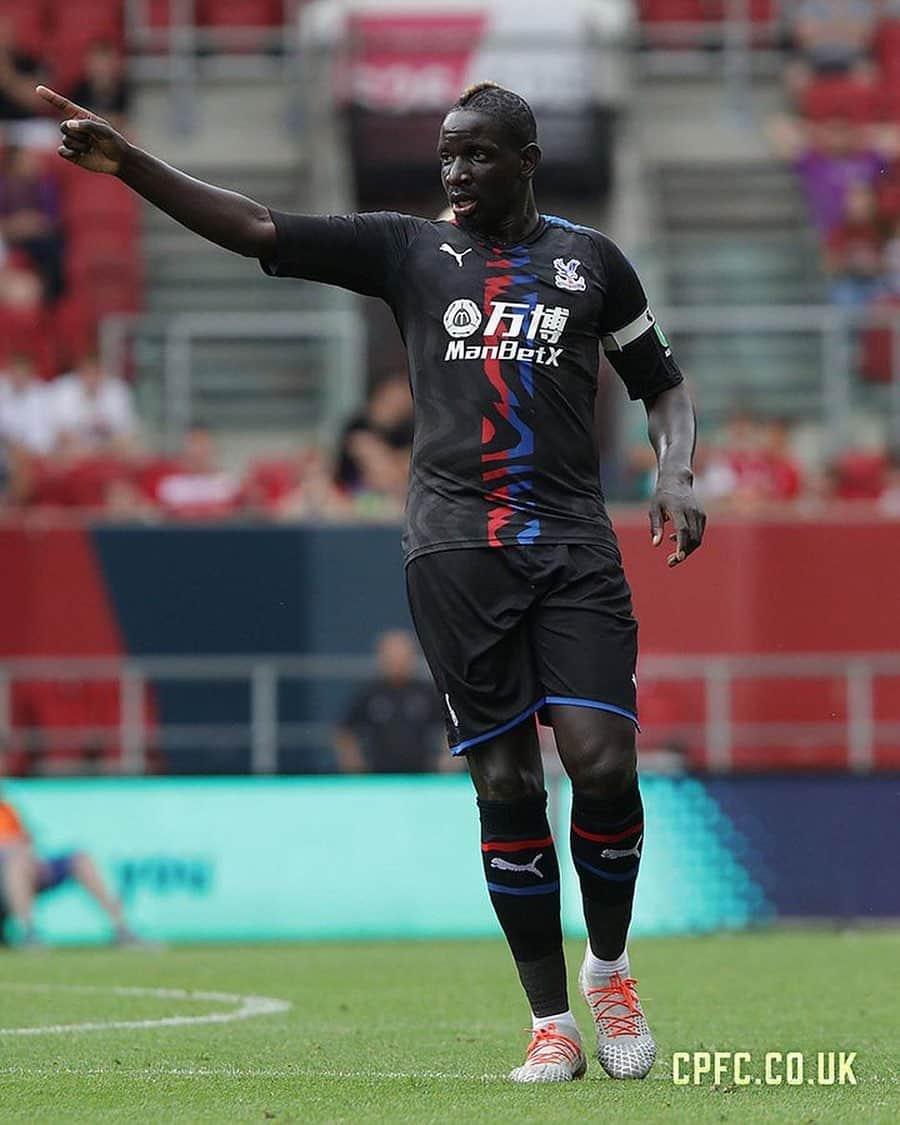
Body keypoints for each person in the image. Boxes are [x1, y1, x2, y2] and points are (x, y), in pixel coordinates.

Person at [36, 78, 706, 1082]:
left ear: (526, 159)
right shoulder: (410, 251)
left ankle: (609, 972)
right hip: (452, 550)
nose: (456, 172)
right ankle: (551, 1022)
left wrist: (679, 470)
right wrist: (131, 164)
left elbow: (662, 382)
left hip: (570, 544)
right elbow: (261, 227)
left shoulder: (590, 263)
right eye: (447, 154)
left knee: (602, 759)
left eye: (477, 154)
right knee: (505, 781)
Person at [0, 792, 138, 948]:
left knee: (80, 860)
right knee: (16, 865)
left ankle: (122, 929)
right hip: (8, 871)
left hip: (26, 868)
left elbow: (26, 841)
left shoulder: (6, 809)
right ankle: (29, 933)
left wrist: (30, 857)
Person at [334, 630, 445, 774]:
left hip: (421, 775)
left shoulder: (426, 692)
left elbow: (452, 726)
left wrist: (448, 758)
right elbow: (344, 730)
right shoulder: (369, 693)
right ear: (381, 657)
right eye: (391, 656)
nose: (397, 662)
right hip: (380, 776)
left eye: (402, 656)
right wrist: (353, 763)